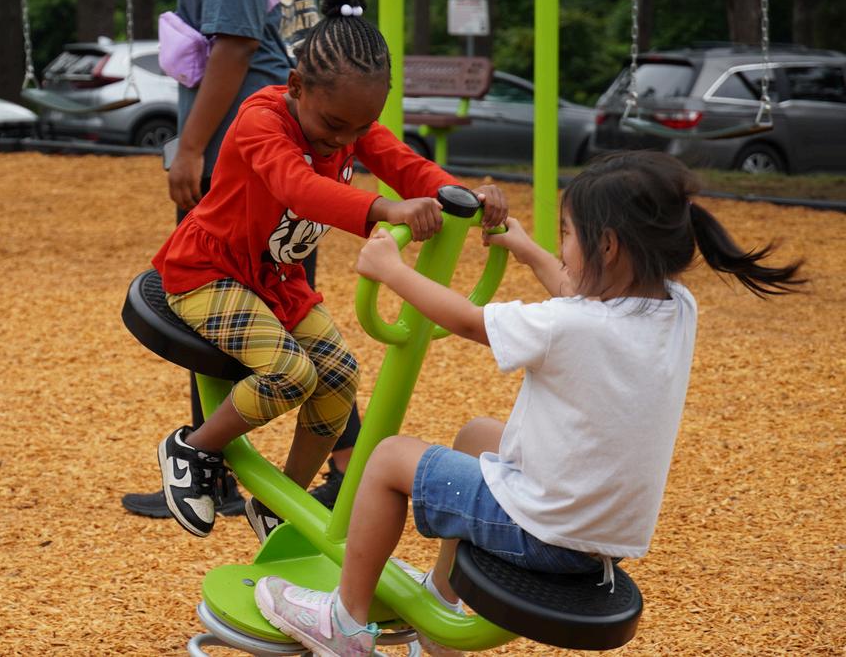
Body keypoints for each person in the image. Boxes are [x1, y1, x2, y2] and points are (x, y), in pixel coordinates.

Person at [253, 150, 805, 656]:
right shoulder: (676, 307)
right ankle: (440, 611)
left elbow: (470, 320)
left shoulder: (571, 326)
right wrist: (526, 249)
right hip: (598, 532)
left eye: (566, 234)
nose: (561, 246)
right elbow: (579, 291)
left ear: (607, 246)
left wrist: (392, 271)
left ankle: (344, 623)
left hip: (543, 532)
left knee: (390, 458)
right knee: (476, 436)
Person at [152, 0, 509, 541]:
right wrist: (384, 208)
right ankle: (193, 449)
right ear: (296, 86)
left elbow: (407, 165)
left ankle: (283, 499)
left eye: (362, 127)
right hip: (209, 272)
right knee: (290, 374)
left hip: (276, 280)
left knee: (339, 377)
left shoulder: (348, 124)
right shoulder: (261, 120)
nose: (345, 139)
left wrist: (465, 196)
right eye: (336, 126)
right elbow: (299, 188)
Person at [121, 0, 358, 520]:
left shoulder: (286, 115)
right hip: (267, 164)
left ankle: (210, 459)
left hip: (248, 151)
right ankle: (219, 464)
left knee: (305, 353)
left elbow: (235, 45)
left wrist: (191, 146)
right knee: (272, 338)